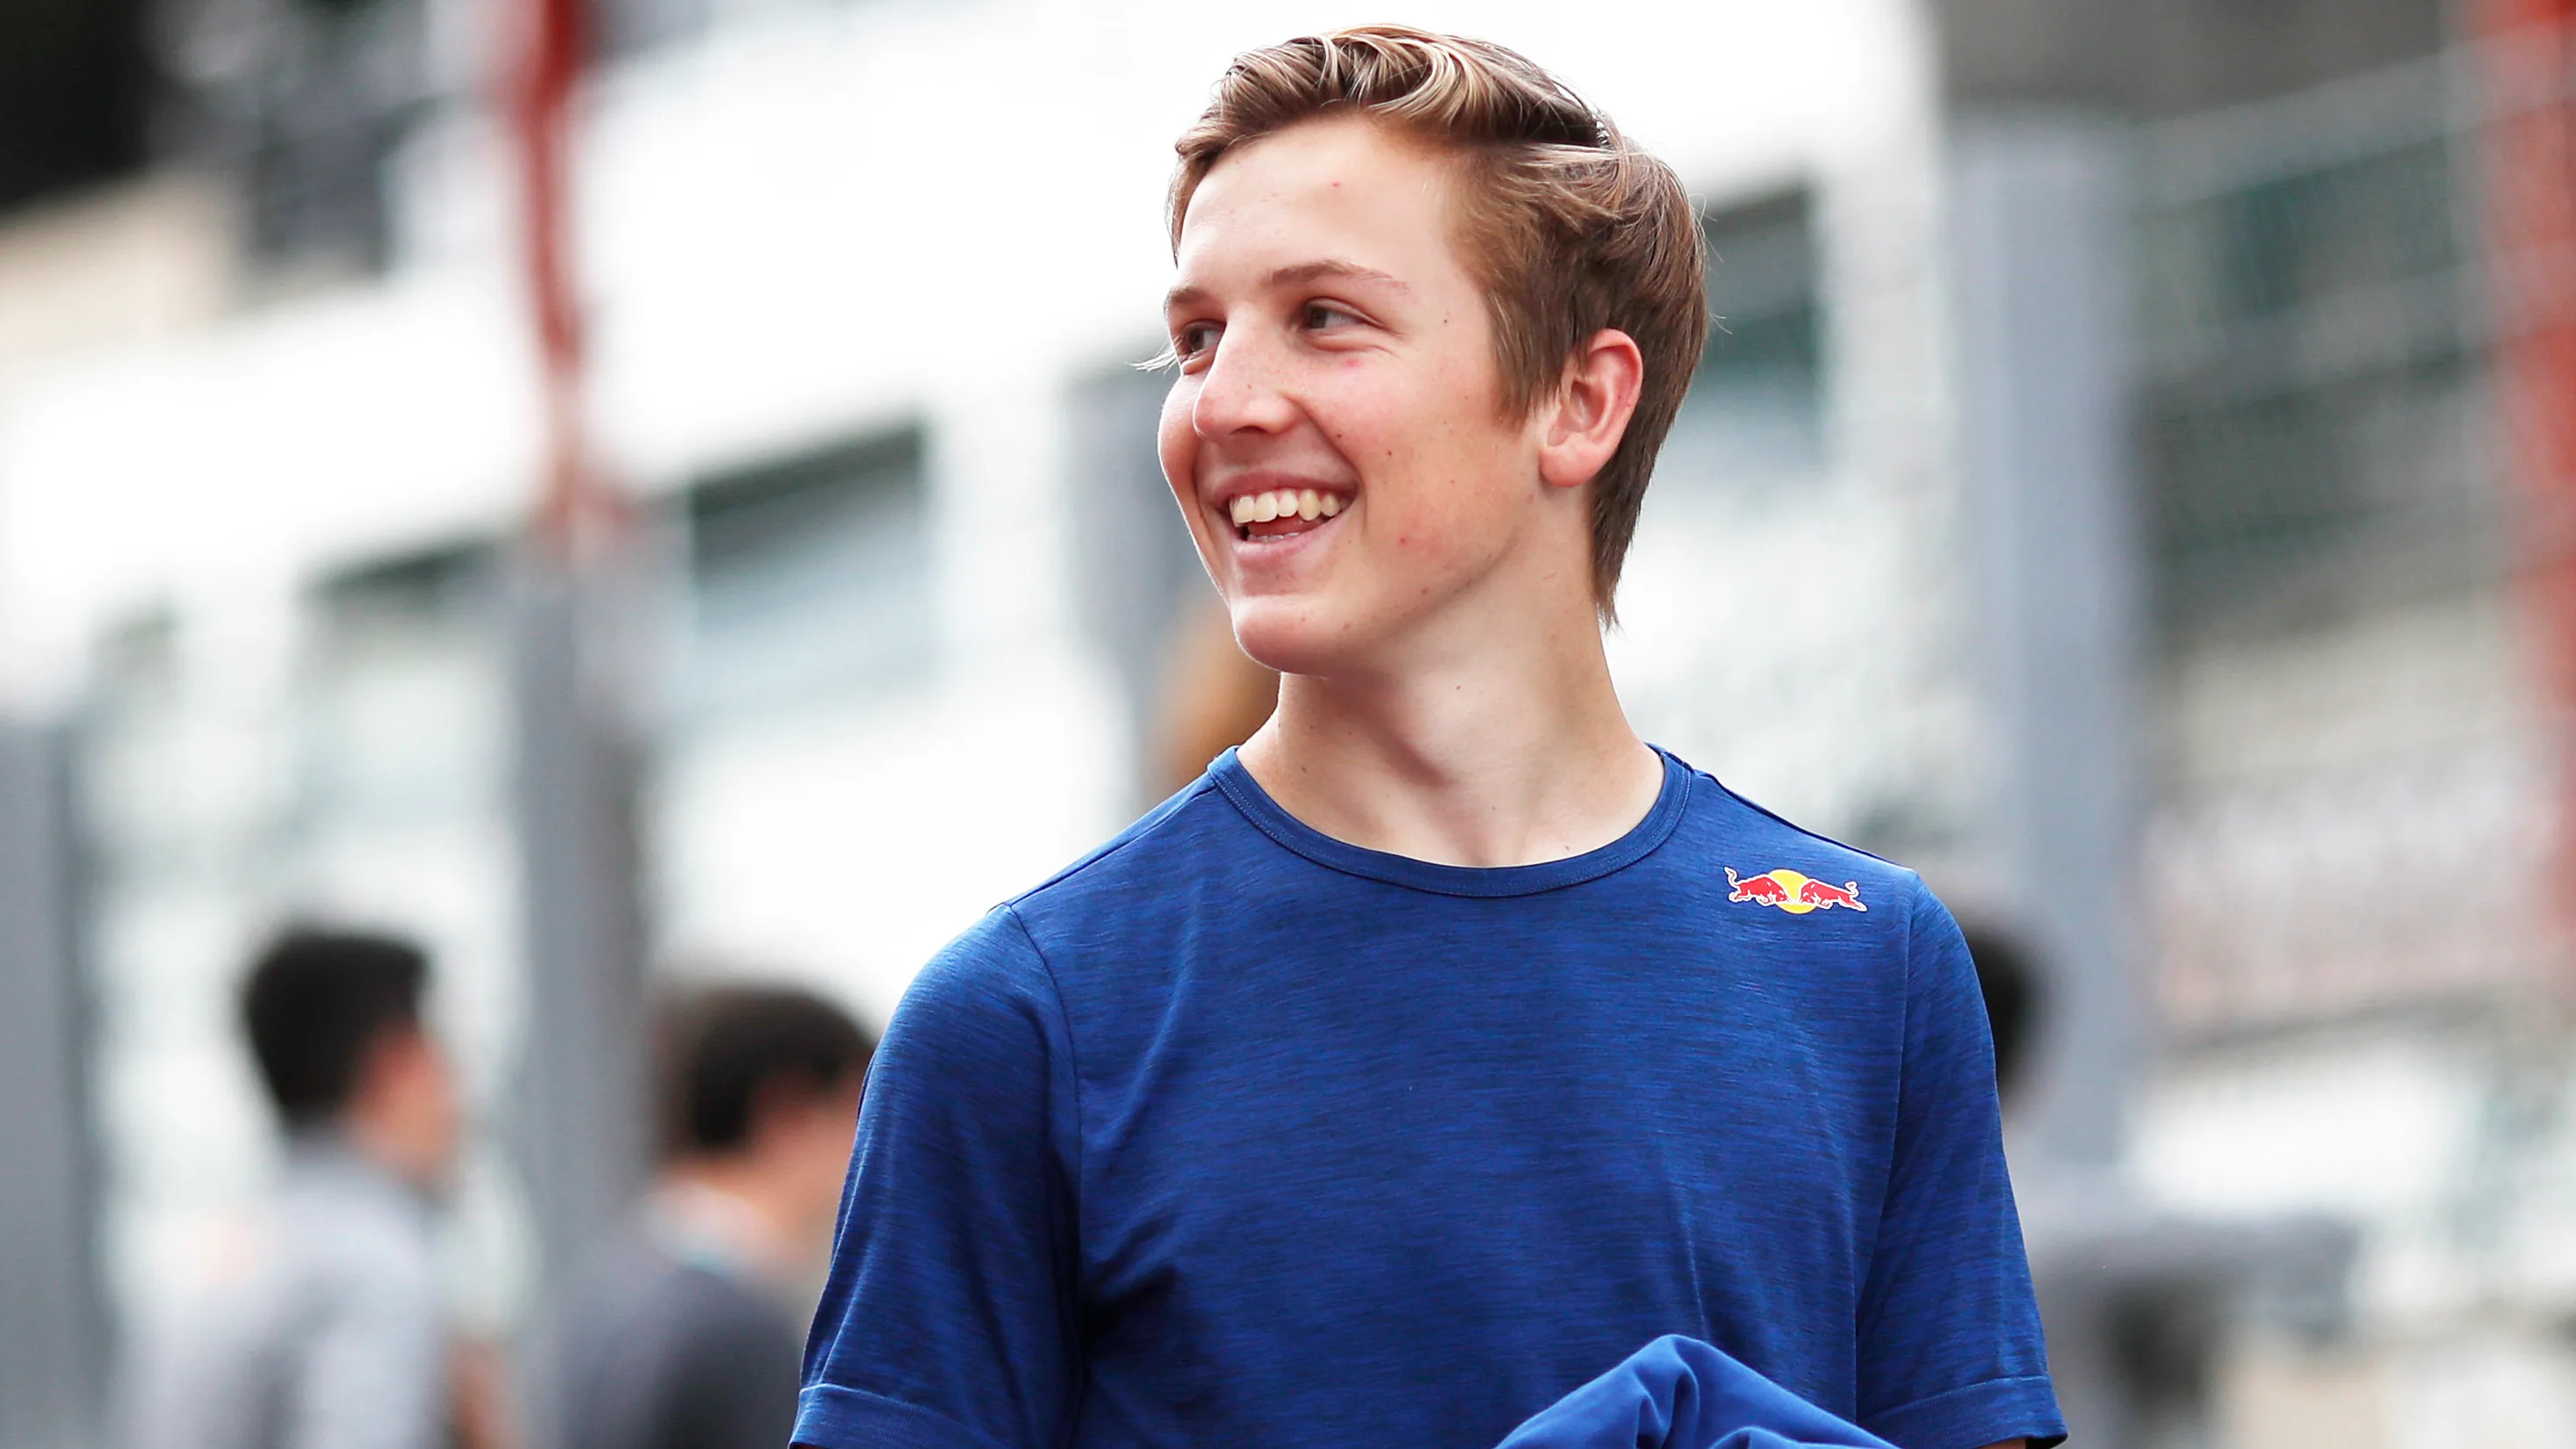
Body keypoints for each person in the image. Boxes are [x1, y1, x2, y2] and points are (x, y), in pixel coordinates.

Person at [795, 25, 2065, 1449]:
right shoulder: (1026, 1021)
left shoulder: (1860, 961)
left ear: (1578, 401)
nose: (1220, 403)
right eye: (1196, 336)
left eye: (1324, 317)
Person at [132, 926, 475, 1449]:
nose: (457, 1099)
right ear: (394, 1063)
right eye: (440, 1060)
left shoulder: (231, 1258)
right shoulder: (369, 1265)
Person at [536, 984, 871, 1449]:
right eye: (862, 1112)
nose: (870, 1149)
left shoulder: (607, 1289)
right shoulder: (743, 1330)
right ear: (790, 1112)